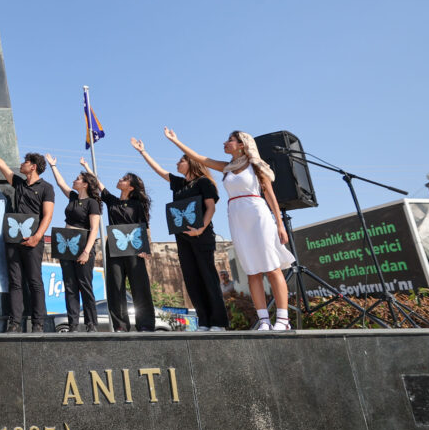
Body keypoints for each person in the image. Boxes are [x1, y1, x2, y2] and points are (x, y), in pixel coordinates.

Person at [165, 127, 294, 330]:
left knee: (271, 267)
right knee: (252, 270)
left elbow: (270, 195)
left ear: (242, 145)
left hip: (257, 213)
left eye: (230, 140)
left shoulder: (256, 166)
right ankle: (264, 320)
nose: (225, 143)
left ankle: (283, 319)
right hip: (236, 217)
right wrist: (176, 140)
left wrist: (280, 223)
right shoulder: (226, 168)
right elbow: (199, 158)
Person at [131, 137, 229, 332]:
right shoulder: (178, 183)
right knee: (192, 279)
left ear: (190, 163)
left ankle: (218, 322)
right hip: (182, 238)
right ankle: (203, 321)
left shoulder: (204, 183)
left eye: (181, 161)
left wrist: (201, 228)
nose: (177, 164)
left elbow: (211, 208)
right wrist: (143, 152)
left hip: (202, 235)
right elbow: (160, 171)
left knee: (207, 276)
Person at [0, 136, 55, 333]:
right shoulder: (19, 183)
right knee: (15, 282)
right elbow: (3, 166)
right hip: (13, 239)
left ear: (34, 167)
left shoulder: (46, 188)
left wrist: (37, 236)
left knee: (35, 281)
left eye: (26, 162)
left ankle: (38, 323)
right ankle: (15, 323)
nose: (22, 163)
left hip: (33, 241)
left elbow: (48, 215)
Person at [81, 160, 156, 332]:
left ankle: (145, 324)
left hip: (135, 249)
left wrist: (146, 248)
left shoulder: (138, 205)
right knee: (115, 286)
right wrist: (87, 167)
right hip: (114, 248)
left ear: (131, 187)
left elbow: (144, 226)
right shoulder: (112, 201)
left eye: (124, 179)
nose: (120, 180)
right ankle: (121, 325)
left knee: (140, 286)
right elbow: (100, 185)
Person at [44, 154, 102, 332]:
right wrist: (53, 166)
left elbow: (94, 229)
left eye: (78, 179)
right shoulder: (73, 198)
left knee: (85, 285)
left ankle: (91, 324)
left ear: (85, 184)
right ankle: (73, 324)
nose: (74, 181)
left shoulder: (92, 203)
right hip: (66, 246)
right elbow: (61, 184)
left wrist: (86, 251)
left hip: (83, 247)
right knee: (70, 286)